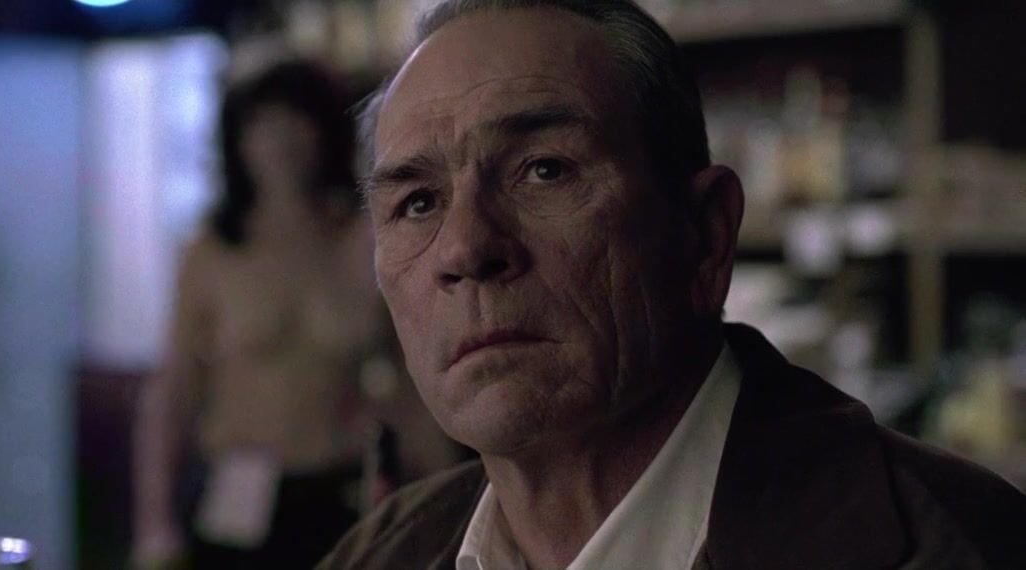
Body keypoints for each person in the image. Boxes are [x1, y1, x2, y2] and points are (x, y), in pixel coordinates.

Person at [319, 1, 1026, 569]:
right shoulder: (380, 554)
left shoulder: (959, 545)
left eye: (544, 170)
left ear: (705, 235)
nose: (467, 248)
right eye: (418, 203)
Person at [131, 59, 447, 570]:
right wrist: (154, 524)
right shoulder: (214, 251)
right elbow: (174, 390)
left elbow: (414, 384)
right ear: (238, 140)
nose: (280, 143)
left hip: (342, 486)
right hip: (239, 486)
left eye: (296, 123)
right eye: (263, 125)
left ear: (324, 132)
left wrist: (447, 495)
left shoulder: (364, 240)